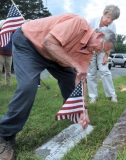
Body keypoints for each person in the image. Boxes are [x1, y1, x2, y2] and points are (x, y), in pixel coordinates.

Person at [0, 13, 116, 159]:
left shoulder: (88, 51)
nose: (100, 52)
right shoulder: (77, 23)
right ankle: (5, 134)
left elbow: (81, 78)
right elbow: (48, 43)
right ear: (99, 36)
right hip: (30, 44)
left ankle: (75, 115)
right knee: (28, 86)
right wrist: (74, 64)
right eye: (102, 48)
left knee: (72, 81)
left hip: (57, 56)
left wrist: (83, 108)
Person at [86, 5, 120, 103]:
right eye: (108, 17)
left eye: (112, 19)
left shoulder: (112, 26)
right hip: (91, 48)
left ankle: (112, 95)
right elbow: (86, 35)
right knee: (91, 73)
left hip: (103, 49)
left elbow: (111, 41)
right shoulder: (92, 20)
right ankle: (93, 96)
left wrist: (106, 55)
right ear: (104, 14)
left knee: (105, 71)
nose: (109, 21)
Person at [0, 20, 13, 88]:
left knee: (8, 69)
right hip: (1, 53)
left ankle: (8, 83)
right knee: (0, 69)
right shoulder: (1, 33)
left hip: (9, 54)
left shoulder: (11, 33)